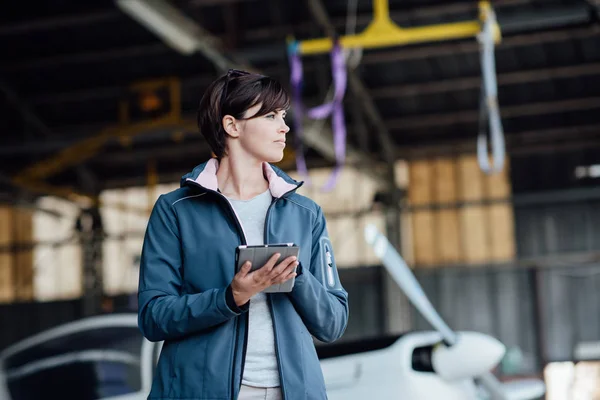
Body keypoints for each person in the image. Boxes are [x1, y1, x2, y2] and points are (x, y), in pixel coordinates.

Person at [137, 69, 349, 400]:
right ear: (232, 125)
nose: (285, 126)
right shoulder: (176, 211)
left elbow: (333, 323)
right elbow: (154, 316)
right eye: (270, 116)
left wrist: (296, 275)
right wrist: (229, 297)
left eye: (282, 115)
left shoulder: (306, 215)